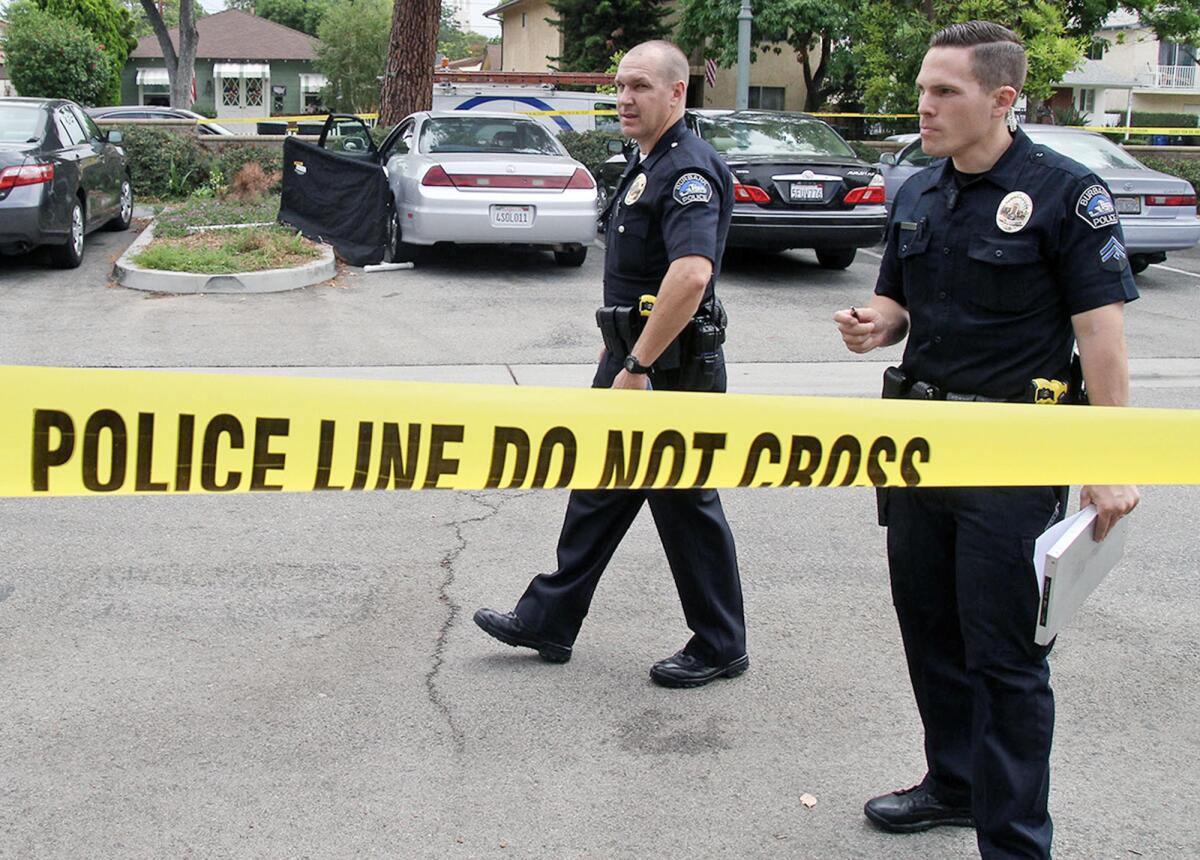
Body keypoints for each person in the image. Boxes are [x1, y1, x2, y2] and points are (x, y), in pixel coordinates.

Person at [833, 21, 1139, 859]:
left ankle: (1013, 842)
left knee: (1004, 656)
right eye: (924, 90)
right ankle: (953, 784)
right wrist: (875, 324)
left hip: (1012, 453)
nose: (924, 106)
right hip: (920, 444)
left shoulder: (1064, 192)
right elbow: (899, 302)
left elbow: (1101, 339)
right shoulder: (918, 191)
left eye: (945, 92)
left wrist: (1109, 462)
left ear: (1003, 100)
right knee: (928, 627)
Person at [473, 40, 748, 689]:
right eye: (621, 85)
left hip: (669, 370)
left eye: (641, 87)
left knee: (684, 503)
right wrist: (618, 343)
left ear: (677, 93)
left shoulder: (687, 171)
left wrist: (640, 362)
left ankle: (720, 643)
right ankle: (549, 618)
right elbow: (644, 279)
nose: (625, 97)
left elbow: (689, 274)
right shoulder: (647, 161)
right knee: (599, 488)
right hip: (637, 356)